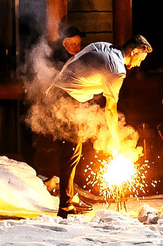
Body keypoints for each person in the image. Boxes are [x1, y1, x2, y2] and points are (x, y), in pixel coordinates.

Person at [53, 33, 152, 217]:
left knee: (74, 151)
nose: (139, 64)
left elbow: (76, 60)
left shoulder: (106, 47)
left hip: (63, 94)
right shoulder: (116, 69)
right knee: (71, 152)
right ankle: (65, 208)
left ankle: (70, 198)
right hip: (65, 97)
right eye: (140, 59)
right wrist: (116, 141)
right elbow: (111, 110)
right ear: (134, 51)